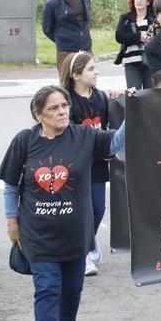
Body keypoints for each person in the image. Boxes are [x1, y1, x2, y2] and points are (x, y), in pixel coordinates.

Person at [0, 85, 126, 321]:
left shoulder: (84, 136)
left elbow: (117, 143)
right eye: (53, 108)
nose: (62, 112)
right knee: (47, 288)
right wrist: (11, 221)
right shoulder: (25, 141)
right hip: (37, 233)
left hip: (76, 233)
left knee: (72, 289)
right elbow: (10, 185)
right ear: (38, 114)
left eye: (64, 106)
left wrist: (135, 107)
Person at [59, 52, 123, 277]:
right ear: (76, 74)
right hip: (76, 165)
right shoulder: (65, 100)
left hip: (97, 165)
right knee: (80, 210)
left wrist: (117, 98)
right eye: (91, 69)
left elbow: (108, 127)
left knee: (97, 208)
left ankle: (90, 240)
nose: (96, 73)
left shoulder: (100, 97)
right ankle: (83, 254)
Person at [42, 0, 93, 73]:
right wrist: (63, 40)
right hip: (66, 52)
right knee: (67, 87)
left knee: (89, 84)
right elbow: (47, 29)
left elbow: (86, 21)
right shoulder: (52, 3)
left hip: (86, 49)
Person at [113, 0, 156, 90]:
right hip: (131, 61)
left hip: (151, 61)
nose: (138, 1)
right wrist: (139, 37)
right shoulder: (126, 18)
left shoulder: (154, 18)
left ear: (148, 2)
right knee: (133, 93)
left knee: (151, 95)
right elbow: (119, 36)